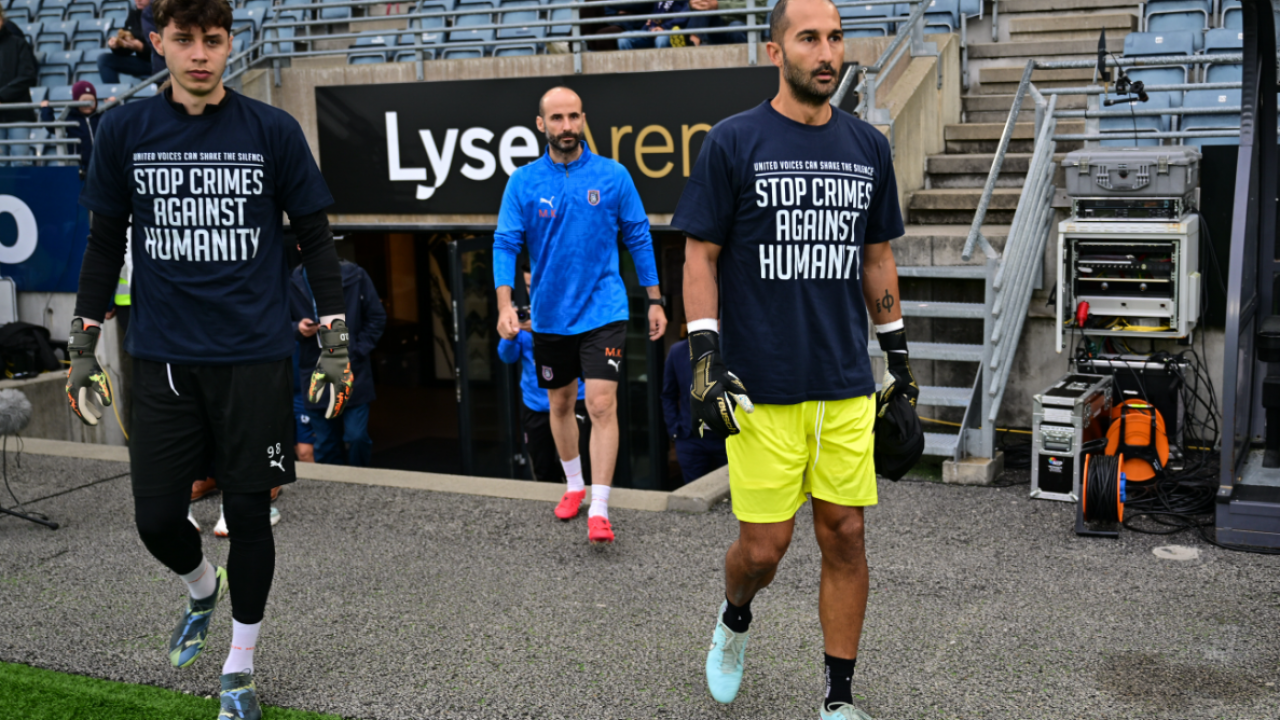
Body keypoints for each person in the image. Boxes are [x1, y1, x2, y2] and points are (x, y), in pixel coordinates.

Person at [65, 0, 352, 718]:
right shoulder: (125, 130)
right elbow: (104, 246)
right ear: (158, 42)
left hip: (253, 358)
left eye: (213, 40)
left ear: (231, 45)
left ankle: (240, 669)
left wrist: (335, 343)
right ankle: (201, 587)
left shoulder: (272, 131)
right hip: (159, 357)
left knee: (250, 517)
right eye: (184, 39)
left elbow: (315, 239)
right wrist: (80, 344)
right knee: (157, 518)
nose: (199, 53)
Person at [671, 0, 913, 717]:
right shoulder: (733, 141)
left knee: (845, 533)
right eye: (809, 38)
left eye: (835, 38)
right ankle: (734, 617)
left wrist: (898, 359)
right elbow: (699, 254)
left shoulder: (868, 146)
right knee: (764, 549)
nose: (826, 52)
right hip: (762, 386)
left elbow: (878, 257)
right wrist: (706, 354)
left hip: (842, 383)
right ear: (775, 51)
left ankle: (837, 701)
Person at [493, 86, 666, 545]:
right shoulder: (523, 182)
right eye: (557, 119)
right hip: (550, 317)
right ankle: (574, 485)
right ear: (541, 124)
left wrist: (654, 298)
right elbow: (506, 243)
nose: (566, 126)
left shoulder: (613, 175)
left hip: (604, 309)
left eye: (573, 117)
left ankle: (601, 507)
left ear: (583, 119)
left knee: (601, 404)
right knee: (560, 404)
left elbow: (639, 235)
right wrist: (504, 304)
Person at [498, 264, 593, 484]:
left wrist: (543, 328)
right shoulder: (524, 320)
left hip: (573, 401)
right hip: (537, 406)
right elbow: (507, 357)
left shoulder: (573, 310)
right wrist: (511, 335)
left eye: (539, 283)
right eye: (530, 285)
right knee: (542, 467)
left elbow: (587, 355)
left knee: (580, 466)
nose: (534, 290)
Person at [291, 256, 385, 467]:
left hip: (351, 369)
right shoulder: (292, 281)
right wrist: (298, 328)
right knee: (325, 443)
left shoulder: (355, 274)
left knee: (356, 437)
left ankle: (358, 483)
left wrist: (356, 352)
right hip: (315, 370)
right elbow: (276, 324)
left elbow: (377, 317)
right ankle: (331, 490)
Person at [661, 327, 727, 485]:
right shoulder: (677, 351)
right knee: (694, 493)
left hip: (727, 436)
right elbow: (668, 395)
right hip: (690, 437)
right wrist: (675, 430)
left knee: (733, 494)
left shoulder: (730, 348)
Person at [39, 81, 119, 177]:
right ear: (76, 101)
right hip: (80, 167)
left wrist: (112, 106)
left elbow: (115, 122)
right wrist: (45, 110)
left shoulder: (100, 116)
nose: (88, 104)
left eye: (91, 101)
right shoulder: (69, 118)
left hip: (101, 164)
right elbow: (52, 128)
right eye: (84, 101)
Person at [0, 8, 38, 163]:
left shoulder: (18, 44)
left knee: (20, 159)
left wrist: (1, 95)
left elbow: (28, 76)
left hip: (19, 113)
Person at [99, 0, 155, 85]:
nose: (138, 0)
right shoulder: (134, 15)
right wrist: (117, 46)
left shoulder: (160, 15)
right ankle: (114, 96)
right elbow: (126, 49)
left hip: (161, 64)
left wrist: (141, 48)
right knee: (104, 60)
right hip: (143, 62)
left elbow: (165, 49)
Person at [617, 0, 691, 50]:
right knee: (624, 38)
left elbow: (685, 15)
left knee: (661, 39)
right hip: (652, 31)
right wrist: (649, 25)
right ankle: (634, 72)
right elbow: (655, 16)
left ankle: (662, 72)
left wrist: (664, 27)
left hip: (672, 32)